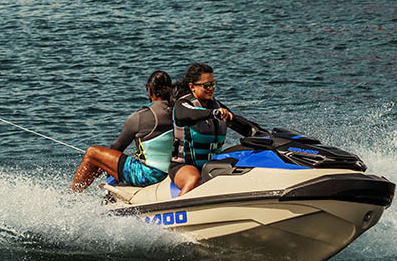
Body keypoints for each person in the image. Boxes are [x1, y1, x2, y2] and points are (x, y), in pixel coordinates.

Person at [168, 63, 269, 196]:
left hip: (211, 166)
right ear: (192, 87)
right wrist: (213, 113)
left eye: (213, 84)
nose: (211, 89)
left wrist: (267, 136)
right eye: (207, 85)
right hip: (183, 166)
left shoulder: (216, 106)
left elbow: (241, 125)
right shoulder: (182, 106)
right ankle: (178, 211)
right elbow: (193, 113)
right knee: (194, 179)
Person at [70, 71, 177, 192]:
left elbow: (117, 147)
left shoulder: (140, 116)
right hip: (174, 171)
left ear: (149, 90)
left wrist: (102, 165)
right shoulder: (178, 111)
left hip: (148, 176)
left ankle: (72, 196)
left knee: (92, 153)